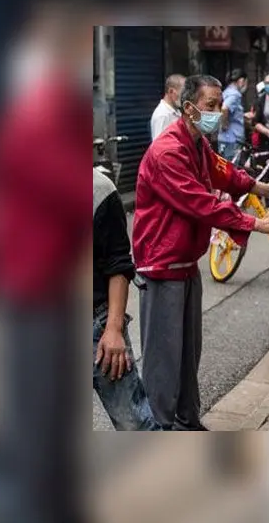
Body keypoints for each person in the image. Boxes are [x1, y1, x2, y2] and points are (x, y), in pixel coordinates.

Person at [133, 74, 269, 430]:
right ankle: (159, 429)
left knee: (188, 353)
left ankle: (187, 421)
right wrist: (256, 223)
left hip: (185, 262)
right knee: (164, 358)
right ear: (189, 107)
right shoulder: (168, 151)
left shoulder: (197, 144)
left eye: (219, 104)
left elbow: (224, 173)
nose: (218, 111)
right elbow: (200, 203)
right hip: (162, 265)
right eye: (211, 105)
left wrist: (261, 187)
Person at [92, 169, 160, 430]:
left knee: (135, 424)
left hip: (97, 328)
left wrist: (113, 328)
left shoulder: (99, 188)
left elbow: (118, 263)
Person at [219, 69, 249, 161]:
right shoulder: (235, 94)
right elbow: (224, 108)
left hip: (224, 138)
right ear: (241, 81)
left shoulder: (226, 92)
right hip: (233, 139)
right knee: (231, 167)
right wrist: (224, 124)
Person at [150, 74, 185, 141]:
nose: (184, 98)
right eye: (182, 94)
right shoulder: (162, 115)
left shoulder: (176, 111)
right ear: (171, 91)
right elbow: (159, 144)